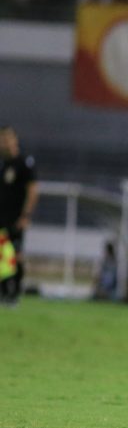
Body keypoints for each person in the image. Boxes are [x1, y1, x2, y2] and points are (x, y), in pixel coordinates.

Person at [0, 126, 38, 306]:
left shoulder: (23, 163)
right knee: (2, 258)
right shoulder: (3, 164)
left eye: (6, 139)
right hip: (1, 219)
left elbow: (33, 191)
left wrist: (26, 215)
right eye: (1, 139)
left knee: (16, 255)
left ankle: (14, 293)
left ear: (14, 140)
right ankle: (3, 293)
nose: (3, 143)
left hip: (15, 218)